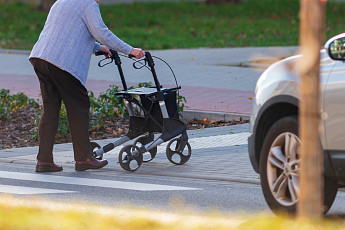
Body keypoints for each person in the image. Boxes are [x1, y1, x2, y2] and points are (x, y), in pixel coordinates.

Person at [29, 0, 145, 172]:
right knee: (79, 107)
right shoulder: (88, 4)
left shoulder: (62, 1)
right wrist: (130, 50)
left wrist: (98, 48)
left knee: (50, 110)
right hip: (61, 63)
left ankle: (44, 160)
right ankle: (83, 158)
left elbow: (69, 31)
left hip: (41, 57)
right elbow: (102, 32)